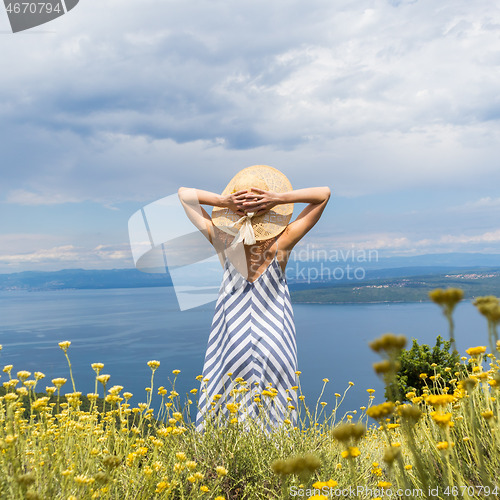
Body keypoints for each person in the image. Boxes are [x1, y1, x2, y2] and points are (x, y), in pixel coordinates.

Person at [178, 165, 330, 432]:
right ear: (269, 210)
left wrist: (223, 201)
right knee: (277, 412)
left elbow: (184, 195)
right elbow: (323, 194)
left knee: (227, 413)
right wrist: (279, 198)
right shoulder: (281, 243)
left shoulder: (222, 241)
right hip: (275, 341)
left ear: (233, 210)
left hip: (232, 340)